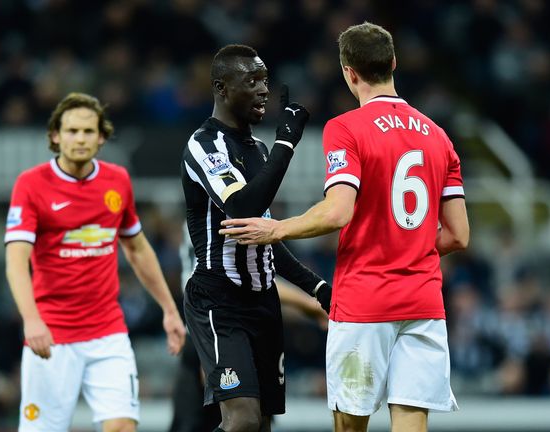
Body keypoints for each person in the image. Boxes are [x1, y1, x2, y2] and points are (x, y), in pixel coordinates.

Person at [219, 22, 470, 432]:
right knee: (411, 422)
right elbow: (459, 235)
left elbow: (337, 212)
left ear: (348, 72)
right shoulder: (438, 136)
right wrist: (410, 247)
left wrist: (276, 230)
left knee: (350, 426)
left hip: (364, 301)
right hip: (423, 303)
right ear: (393, 63)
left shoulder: (346, 128)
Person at [4, 92, 186, 432]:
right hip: (51, 335)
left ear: (102, 137)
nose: (80, 139)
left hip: (108, 333)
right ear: (55, 136)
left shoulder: (117, 180)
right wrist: (31, 320)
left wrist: (169, 309)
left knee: (122, 427)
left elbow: (138, 249)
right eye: (71, 131)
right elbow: (16, 261)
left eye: (88, 131)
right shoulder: (31, 184)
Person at [181, 44, 332, 432]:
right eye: (252, 81)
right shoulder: (205, 145)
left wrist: (316, 287)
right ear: (221, 88)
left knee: (262, 424)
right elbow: (242, 209)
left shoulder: (258, 150)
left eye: (265, 81)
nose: (264, 90)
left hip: (263, 303)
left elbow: (263, 234)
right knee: (242, 421)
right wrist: (286, 143)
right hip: (219, 299)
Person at [169, 224, 328, 432]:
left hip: (243, 333)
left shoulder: (246, 215)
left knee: (257, 421)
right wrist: (310, 303)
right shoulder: (213, 218)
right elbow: (236, 282)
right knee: (231, 421)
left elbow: (260, 277)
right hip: (214, 335)